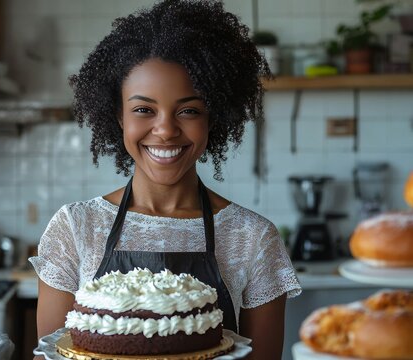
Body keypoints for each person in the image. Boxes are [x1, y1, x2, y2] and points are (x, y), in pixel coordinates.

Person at [29, 1, 301, 359]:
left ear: (213, 118)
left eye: (188, 110)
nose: (166, 130)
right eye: (144, 110)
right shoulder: (76, 229)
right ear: (119, 117)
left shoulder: (253, 238)